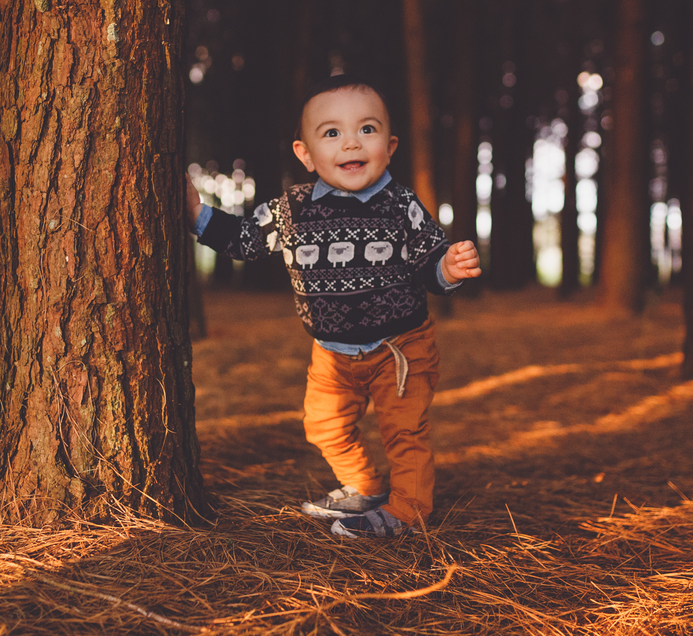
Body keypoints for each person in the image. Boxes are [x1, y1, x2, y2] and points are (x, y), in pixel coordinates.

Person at [186, 74, 481, 538]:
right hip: (331, 353)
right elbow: (244, 240)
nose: (350, 144)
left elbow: (429, 265)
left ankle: (408, 511)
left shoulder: (400, 205)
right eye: (331, 133)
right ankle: (364, 485)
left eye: (367, 129)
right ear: (305, 153)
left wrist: (449, 267)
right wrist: (196, 214)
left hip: (400, 348)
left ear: (390, 144)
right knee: (323, 426)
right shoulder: (291, 209)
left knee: (405, 433)